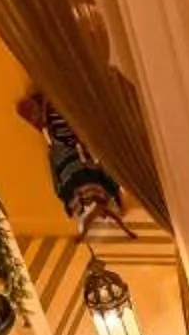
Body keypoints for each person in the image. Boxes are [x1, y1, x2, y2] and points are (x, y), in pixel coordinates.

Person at [16, 91, 130, 233]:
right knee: (72, 173)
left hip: (80, 140)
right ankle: (91, 205)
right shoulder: (48, 103)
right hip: (66, 143)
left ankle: (107, 198)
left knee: (94, 168)